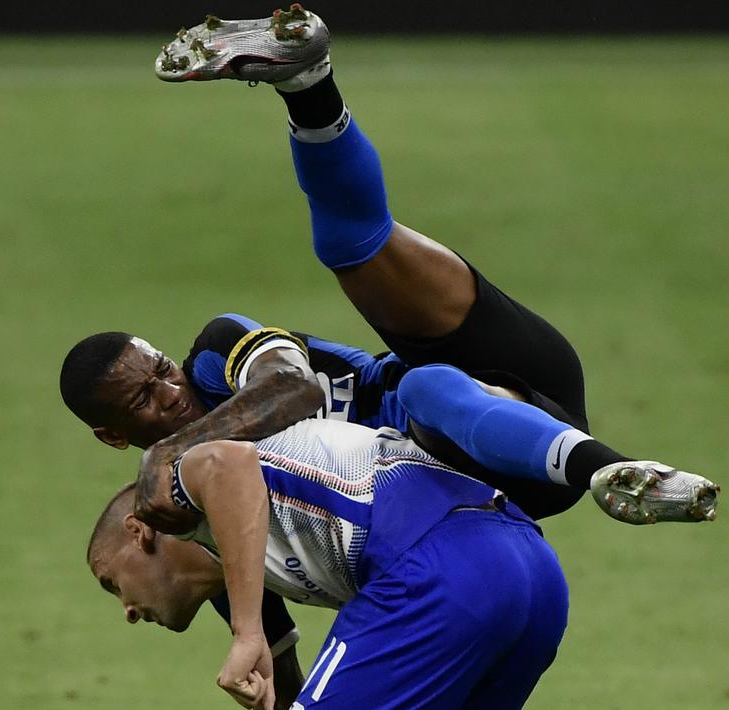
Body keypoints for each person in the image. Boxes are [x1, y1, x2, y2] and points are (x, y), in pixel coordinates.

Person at [65, 5, 718, 707]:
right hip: (482, 498)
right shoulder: (208, 512)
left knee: (361, 259)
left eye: (159, 370)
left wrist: (170, 454)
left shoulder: (213, 358)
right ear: (112, 433)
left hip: (487, 394)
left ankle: (306, 79)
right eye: (141, 401)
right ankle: (590, 468)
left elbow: (292, 391)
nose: (167, 392)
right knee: (428, 405)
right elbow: (275, 651)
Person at [88, 416, 569, 709]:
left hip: (441, 568)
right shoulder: (249, 554)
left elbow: (223, 463)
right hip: (532, 570)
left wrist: (247, 632)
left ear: (139, 532)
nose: (127, 610)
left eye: (111, 582)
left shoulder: (172, 503)